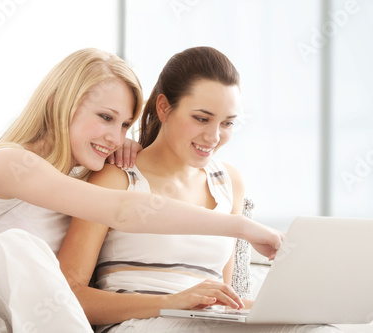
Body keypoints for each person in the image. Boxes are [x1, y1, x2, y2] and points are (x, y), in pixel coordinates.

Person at [0, 48, 284, 332]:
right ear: (61, 102)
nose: (116, 137)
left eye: (125, 125)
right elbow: (124, 209)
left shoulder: (84, 176)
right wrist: (241, 227)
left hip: (47, 323)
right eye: (105, 117)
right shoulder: (9, 164)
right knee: (13, 247)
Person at [58, 47, 341, 333]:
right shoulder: (116, 177)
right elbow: (69, 294)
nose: (214, 137)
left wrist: (298, 310)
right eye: (202, 119)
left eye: (227, 123)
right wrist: (173, 302)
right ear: (164, 108)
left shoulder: (229, 182)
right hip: (138, 325)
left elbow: (226, 302)